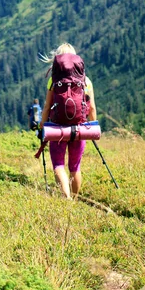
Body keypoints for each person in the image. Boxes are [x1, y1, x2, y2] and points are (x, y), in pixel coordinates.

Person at [39, 43, 96, 199]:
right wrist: (91, 126)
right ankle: (75, 199)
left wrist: (42, 125)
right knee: (75, 167)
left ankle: (67, 199)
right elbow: (91, 108)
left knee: (58, 165)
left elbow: (47, 106)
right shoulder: (86, 80)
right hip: (79, 128)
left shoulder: (53, 80)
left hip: (58, 129)